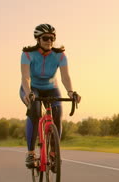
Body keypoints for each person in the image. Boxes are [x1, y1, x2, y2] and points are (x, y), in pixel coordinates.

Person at [20, 23, 80, 168]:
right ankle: (31, 153)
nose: (49, 41)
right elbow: (25, 77)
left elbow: (65, 77)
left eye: (52, 38)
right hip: (32, 88)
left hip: (51, 88)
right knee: (34, 112)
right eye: (45, 38)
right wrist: (28, 93)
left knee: (57, 115)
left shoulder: (59, 55)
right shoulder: (28, 54)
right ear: (38, 39)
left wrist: (71, 92)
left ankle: (53, 154)